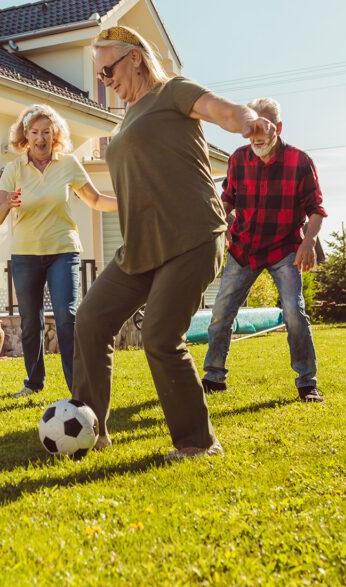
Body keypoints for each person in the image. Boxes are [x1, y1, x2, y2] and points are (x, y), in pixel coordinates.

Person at [71, 26, 277, 461]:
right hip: (141, 247)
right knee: (90, 319)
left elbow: (222, 110)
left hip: (191, 236)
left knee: (161, 335)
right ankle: (90, 427)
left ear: (136, 59)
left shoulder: (172, 92)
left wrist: (249, 122)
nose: (105, 81)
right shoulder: (126, 117)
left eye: (108, 70)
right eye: (99, 76)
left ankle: (198, 443)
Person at [202, 98, 327, 402]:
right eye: (252, 136)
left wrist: (308, 242)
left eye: (263, 134)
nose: (257, 141)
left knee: (294, 312)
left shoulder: (300, 161)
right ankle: (213, 377)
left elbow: (316, 209)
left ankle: (307, 382)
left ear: (278, 128)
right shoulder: (238, 159)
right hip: (244, 247)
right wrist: (221, 223)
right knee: (221, 312)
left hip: (285, 248)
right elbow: (228, 199)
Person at [0, 104, 117, 397]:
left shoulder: (68, 164)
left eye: (46, 132)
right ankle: (34, 383)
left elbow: (96, 200)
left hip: (63, 249)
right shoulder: (14, 169)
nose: (40, 138)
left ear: (55, 134)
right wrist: (7, 203)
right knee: (29, 321)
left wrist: (127, 201)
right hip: (25, 255)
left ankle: (77, 387)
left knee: (66, 315)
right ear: (25, 135)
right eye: (34, 132)